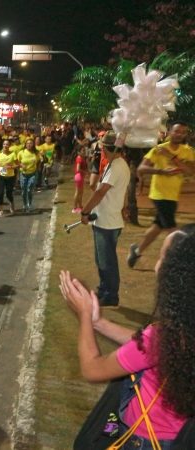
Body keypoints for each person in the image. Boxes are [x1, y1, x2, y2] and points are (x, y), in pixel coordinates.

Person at [59, 228, 195, 448]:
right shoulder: (183, 329)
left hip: (143, 440)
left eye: (163, 257)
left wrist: (84, 316)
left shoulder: (161, 337)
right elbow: (145, 348)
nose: (157, 264)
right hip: (176, 438)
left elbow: (92, 368)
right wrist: (98, 323)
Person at [128, 121, 195, 268]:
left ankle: (137, 251)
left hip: (172, 195)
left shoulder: (187, 151)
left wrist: (172, 158)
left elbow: (191, 171)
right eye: (176, 131)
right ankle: (180, 261)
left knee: (157, 227)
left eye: (183, 132)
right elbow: (141, 168)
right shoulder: (158, 149)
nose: (179, 134)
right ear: (170, 131)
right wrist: (160, 171)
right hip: (159, 194)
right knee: (173, 231)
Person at [79, 132, 130, 308]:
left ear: (106, 148)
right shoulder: (115, 164)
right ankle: (104, 289)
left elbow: (101, 192)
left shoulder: (117, 166)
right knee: (101, 258)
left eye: (102, 147)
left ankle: (110, 295)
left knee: (107, 260)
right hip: (105, 219)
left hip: (108, 222)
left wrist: (85, 211)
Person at [0, 138, 19, 217]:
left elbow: (17, 165)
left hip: (10, 177)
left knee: (9, 193)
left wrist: (11, 166)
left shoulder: (13, 154)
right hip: (1, 176)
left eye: (7, 144)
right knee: (0, 193)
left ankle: (12, 205)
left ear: (9, 146)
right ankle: (1, 210)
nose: (5, 146)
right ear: (2, 145)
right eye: (4, 144)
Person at [17, 139, 42, 213]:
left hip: (33, 173)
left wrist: (38, 168)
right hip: (23, 174)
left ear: (33, 145)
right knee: (24, 190)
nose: (29, 145)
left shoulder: (36, 153)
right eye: (27, 143)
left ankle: (29, 204)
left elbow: (39, 161)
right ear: (25, 144)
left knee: (29, 189)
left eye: (31, 143)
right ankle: (24, 204)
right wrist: (21, 165)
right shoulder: (21, 153)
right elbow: (17, 162)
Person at [72, 146, 88, 214]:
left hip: (80, 176)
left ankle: (80, 206)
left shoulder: (82, 158)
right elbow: (78, 169)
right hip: (79, 176)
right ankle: (75, 207)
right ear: (79, 152)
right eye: (83, 150)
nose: (84, 152)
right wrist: (85, 172)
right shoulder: (79, 158)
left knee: (81, 192)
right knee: (78, 192)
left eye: (84, 150)